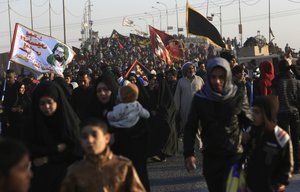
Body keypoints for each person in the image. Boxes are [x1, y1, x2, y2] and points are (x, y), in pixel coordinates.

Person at [183, 57, 252, 192]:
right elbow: (190, 127)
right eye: (213, 77)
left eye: (221, 77)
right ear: (208, 76)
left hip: (234, 155)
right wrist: (188, 154)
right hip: (211, 156)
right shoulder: (200, 98)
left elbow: (249, 122)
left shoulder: (237, 95)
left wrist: (251, 138)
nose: (217, 81)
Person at [60, 118, 145, 192]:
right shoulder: (75, 171)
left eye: (94, 135)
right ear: (81, 142)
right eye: (84, 137)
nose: (90, 140)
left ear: (107, 138)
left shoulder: (123, 166)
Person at [28, 81, 82, 192]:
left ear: (57, 101)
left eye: (50, 102)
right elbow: (29, 149)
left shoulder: (69, 122)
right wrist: (55, 149)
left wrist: (47, 158)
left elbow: (75, 150)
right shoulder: (33, 123)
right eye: (42, 103)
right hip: (39, 179)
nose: (46, 107)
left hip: (66, 178)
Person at [245, 96, 293, 192]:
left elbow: (287, 165)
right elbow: (245, 157)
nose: (253, 115)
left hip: (272, 187)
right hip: (251, 186)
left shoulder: (281, 137)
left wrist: (280, 183)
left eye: (257, 112)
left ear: (266, 114)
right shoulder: (251, 131)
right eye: (252, 111)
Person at [108, 83, 151, 191]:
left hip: (131, 154)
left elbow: (112, 116)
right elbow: (146, 114)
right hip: (132, 155)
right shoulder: (137, 106)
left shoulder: (119, 107)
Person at [272, 59, 300, 174]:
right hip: (295, 113)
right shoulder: (295, 81)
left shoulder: (276, 81)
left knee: (284, 140)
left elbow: (274, 98)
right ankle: (297, 165)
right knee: (295, 139)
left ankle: (287, 164)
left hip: (282, 113)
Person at [146, 74, 177, 162]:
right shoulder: (155, 91)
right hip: (156, 118)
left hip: (165, 119)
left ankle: (162, 154)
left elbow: (169, 108)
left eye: (157, 82)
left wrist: (159, 111)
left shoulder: (166, 93)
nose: (155, 84)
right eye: (155, 82)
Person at [174, 62, 204, 138]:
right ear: (185, 71)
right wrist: (177, 109)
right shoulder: (181, 82)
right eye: (188, 69)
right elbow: (177, 96)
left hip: (199, 109)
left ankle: (199, 147)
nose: (191, 70)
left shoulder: (199, 80)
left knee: (198, 129)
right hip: (185, 109)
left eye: (192, 68)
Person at [1, 69, 21, 138]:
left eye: (10, 77)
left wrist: (19, 107)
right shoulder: (4, 85)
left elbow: (24, 99)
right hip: (4, 112)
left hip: (14, 114)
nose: (8, 79)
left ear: (14, 77)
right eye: (6, 77)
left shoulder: (19, 86)